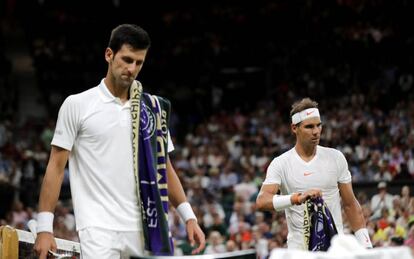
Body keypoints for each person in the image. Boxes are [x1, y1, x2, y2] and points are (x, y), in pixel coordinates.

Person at [34, 24, 205, 259]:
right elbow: (55, 167)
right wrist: (44, 227)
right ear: (109, 55)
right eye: (126, 59)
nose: (132, 68)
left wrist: (189, 217)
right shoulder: (77, 105)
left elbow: (163, 167)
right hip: (98, 229)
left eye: (139, 62)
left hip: (147, 226)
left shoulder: (152, 109)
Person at [256, 97, 372, 250]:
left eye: (319, 125)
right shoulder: (281, 163)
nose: (316, 132)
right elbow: (262, 201)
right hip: (300, 252)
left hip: (334, 250)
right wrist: (296, 198)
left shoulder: (336, 158)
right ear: (294, 128)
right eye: (309, 127)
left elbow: (350, 204)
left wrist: (367, 246)